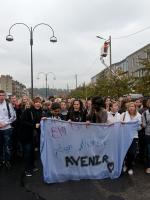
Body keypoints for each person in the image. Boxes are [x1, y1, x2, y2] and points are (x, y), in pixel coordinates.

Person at [121, 102, 142, 175]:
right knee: (125, 152)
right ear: (128, 107)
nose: (131, 107)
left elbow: (139, 128)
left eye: (133, 106)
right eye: (130, 106)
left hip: (134, 136)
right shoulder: (123, 114)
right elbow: (119, 124)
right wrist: (123, 124)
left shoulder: (139, 115)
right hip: (125, 136)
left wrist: (136, 126)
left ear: (135, 107)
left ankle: (130, 167)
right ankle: (125, 165)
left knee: (132, 153)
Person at [0, 90, 16, 168]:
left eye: (3, 95)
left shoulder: (8, 105)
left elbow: (13, 117)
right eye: (0, 95)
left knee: (7, 146)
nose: (1, 97)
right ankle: (1, 160)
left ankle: (7, 161)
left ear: (5, 96)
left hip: (7, 129)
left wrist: (5, 123)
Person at [142, 99, 150, 174]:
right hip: (148, 134)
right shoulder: (145, 113)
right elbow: (144, 125)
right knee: (148, 151)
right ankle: (148, 166)